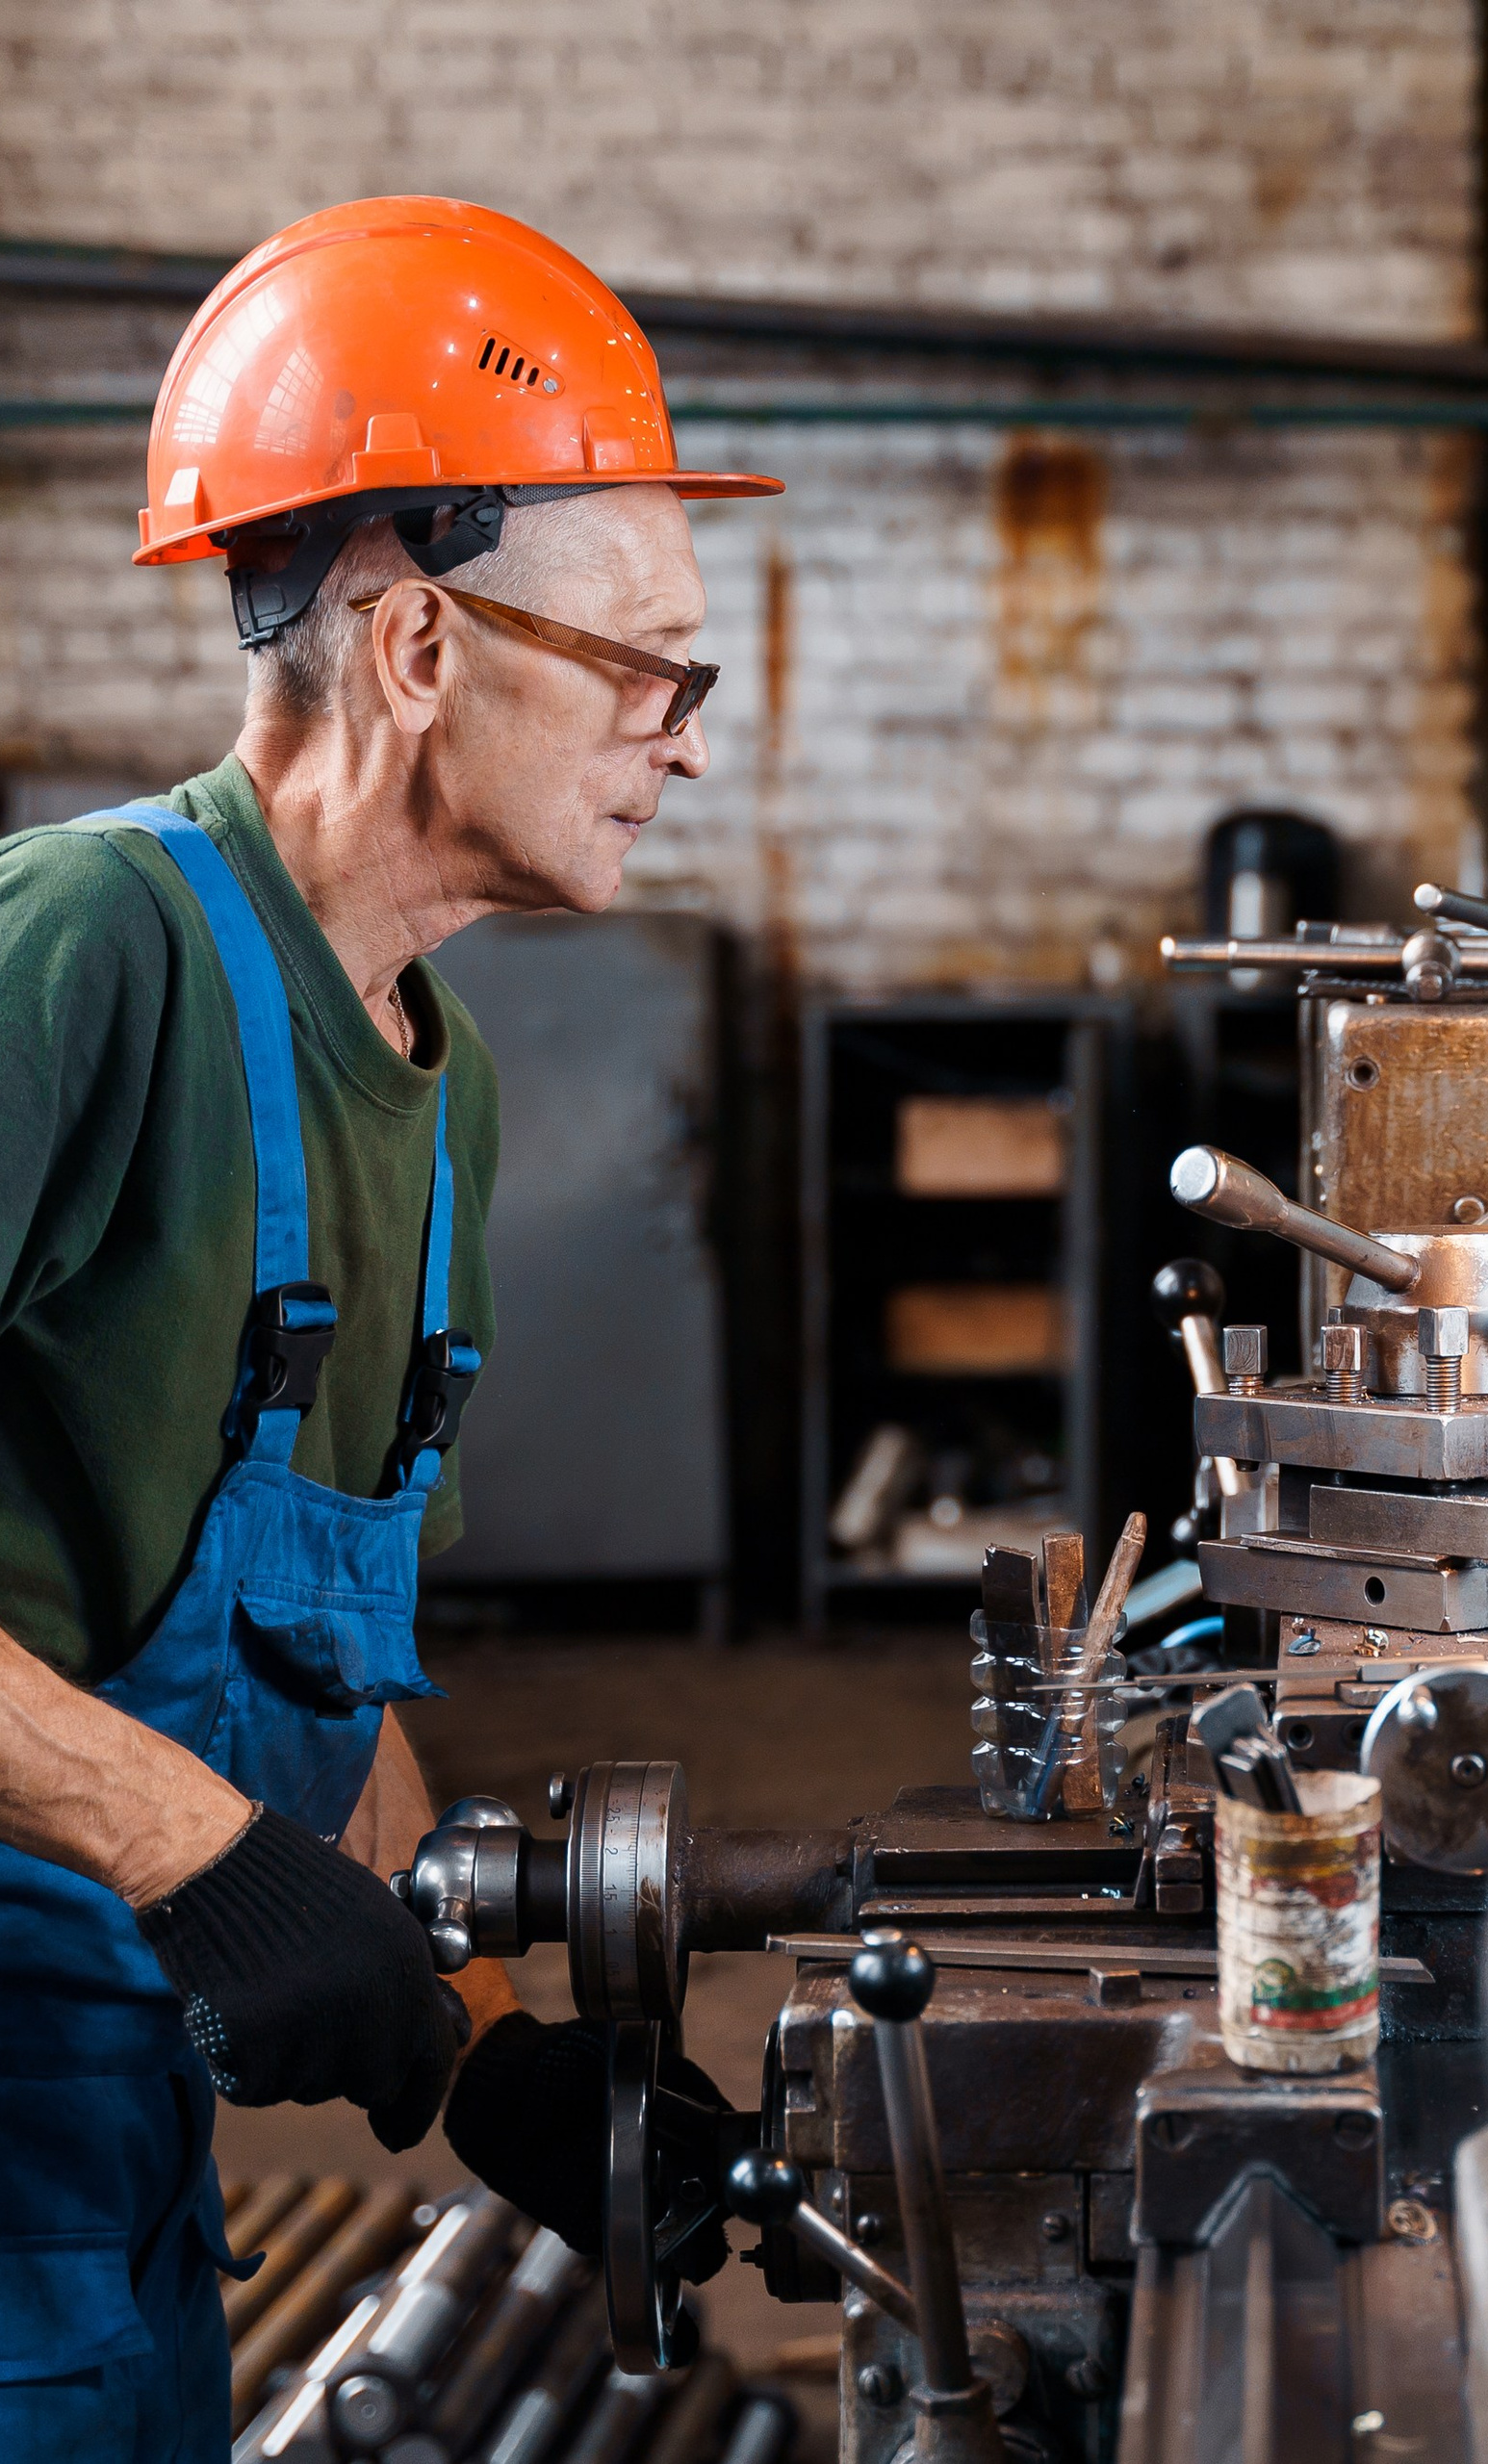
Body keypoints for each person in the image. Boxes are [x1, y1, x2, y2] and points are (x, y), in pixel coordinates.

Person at [0, 196, 780, 2457]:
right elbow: (203, 1806)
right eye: (650, 671)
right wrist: (185, 1846)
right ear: (421, 641)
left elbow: (314, 1666)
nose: (686, 743)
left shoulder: (441, 1089)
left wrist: (480, 2044)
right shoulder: (87, 954)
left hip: (103, 2159)